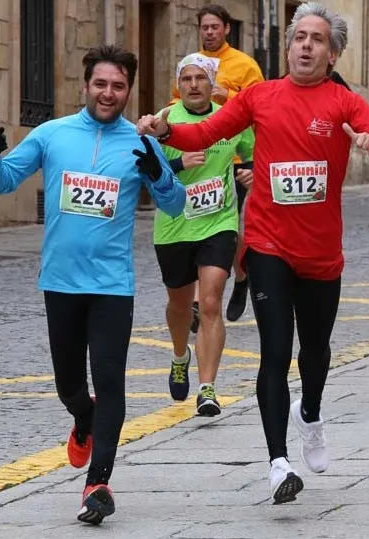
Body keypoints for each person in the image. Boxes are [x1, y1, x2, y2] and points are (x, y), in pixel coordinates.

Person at [138, 1, 369, 504]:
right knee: (275, 351)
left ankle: (311, 414)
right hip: (267, 245)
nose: (306, 45)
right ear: (288, 47)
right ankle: (278, 463)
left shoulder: (343, 103)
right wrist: (166, 131)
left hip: (321, 253)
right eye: (299, 36)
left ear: (333, 53)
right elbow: (206, 131)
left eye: (318, 39)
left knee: (316, 352)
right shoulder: (261, 96)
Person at [0, 44, 185, 525]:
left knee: (110, 381)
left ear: (128, 90)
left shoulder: (141, 143)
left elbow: (174, 207)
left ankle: (98, 483)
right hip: (61, 283)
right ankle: (82, 416)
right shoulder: (53, 135)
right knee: (70, 385)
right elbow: (3, 182)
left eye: (118, 86)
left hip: (113, 286)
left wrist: (161, 176)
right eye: (101, 84)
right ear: (85, 84)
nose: (108, 93)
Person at [155, 53, 255, 417]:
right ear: (178, 85)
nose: (194, 85)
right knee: (180, 306)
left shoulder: (230, 120)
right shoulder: (164, 122)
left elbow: (255, 153)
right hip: (174, 227)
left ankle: (208, 387)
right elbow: (145, 172)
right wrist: (179, 163)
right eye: (187, 79)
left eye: (200, 78)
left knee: (210, 302)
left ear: (212, 84)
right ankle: (180, 354)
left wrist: (251, 172)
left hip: (219, 223)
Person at [172, 4, 266, 329]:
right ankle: (239, 276)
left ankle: (210, 295)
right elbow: (177, 105)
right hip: (197, 158)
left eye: (215, 27)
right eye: (205, 27)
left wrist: (230, 95)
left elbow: (260, 107)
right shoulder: (192, 65)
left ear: (226, 28)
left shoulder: (245, 65)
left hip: (233, 158)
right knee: (204, 222)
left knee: (221, 225)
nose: (210, 32)